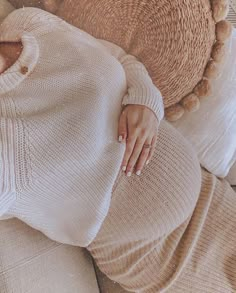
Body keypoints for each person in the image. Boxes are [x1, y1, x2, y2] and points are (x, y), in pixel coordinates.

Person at [0, 7, 235, 292]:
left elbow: (120, 59)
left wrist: (145, 99)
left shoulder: (27, 23)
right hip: (165, 257)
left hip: (211, 196)